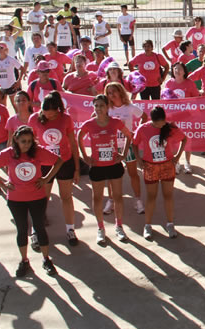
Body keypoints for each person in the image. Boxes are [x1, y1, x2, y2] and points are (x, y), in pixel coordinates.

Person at [0, 126, 61, 277]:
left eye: (29, 141)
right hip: (16, 199)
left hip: (37, 197)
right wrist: (2, 184)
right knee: (22, 229)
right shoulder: (8, 154)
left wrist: (46, 178)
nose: (26, 144)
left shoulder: (38, 151)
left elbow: (58, 161)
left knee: (40, 228)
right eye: (23, 141)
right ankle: (24, 260)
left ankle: (46, 259)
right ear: (16, 141)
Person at [78, 95, 133, 245]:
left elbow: (129, 135)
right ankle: (101, 228)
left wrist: (123, 154)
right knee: (97, 198)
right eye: (96, 106)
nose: (98, 109)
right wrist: (85, 156)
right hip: (97, 166)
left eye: (101, 106)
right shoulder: (89, 124)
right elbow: (79, 136)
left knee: (117, 197)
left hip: (114, 165)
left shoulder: (115, 123)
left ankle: (119, 226)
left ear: (107, 107)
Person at [29, 91, 81, 247]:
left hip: (64, 163)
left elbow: (73, 144)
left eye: (52, 115)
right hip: (44, 165)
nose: (49, 117)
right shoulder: (34, 119)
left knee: (66, 197)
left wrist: (77, 168)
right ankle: (36, 231)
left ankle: (70, 230)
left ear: (58, 109)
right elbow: (29, 143)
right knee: (41, 199)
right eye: (46, 114)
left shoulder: (66, 119)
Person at [133, 106, 187, 240]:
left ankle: (170, 224)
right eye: (157, 123)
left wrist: (177, 157)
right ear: (152, 120)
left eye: (162, 122)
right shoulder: (143, 128)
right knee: (151, 197)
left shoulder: (169, 127)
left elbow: (184, 139)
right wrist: (138, 159)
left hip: (167, 166)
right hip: (150, 167)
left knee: (168, 196)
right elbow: (134, 143)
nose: (160, 125)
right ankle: (147, 225)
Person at [106, 82, 146, 215]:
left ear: (120, 92)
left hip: (127, 145)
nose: (111, 95)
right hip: (112, 146)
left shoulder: (129, 107)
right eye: (109, 93)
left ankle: (138, 200)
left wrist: (137, 131)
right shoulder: (107, 108)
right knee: (111, 175)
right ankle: (111, 200)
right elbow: (95, 119)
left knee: (133, 173)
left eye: (113, 92)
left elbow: (144, 116)